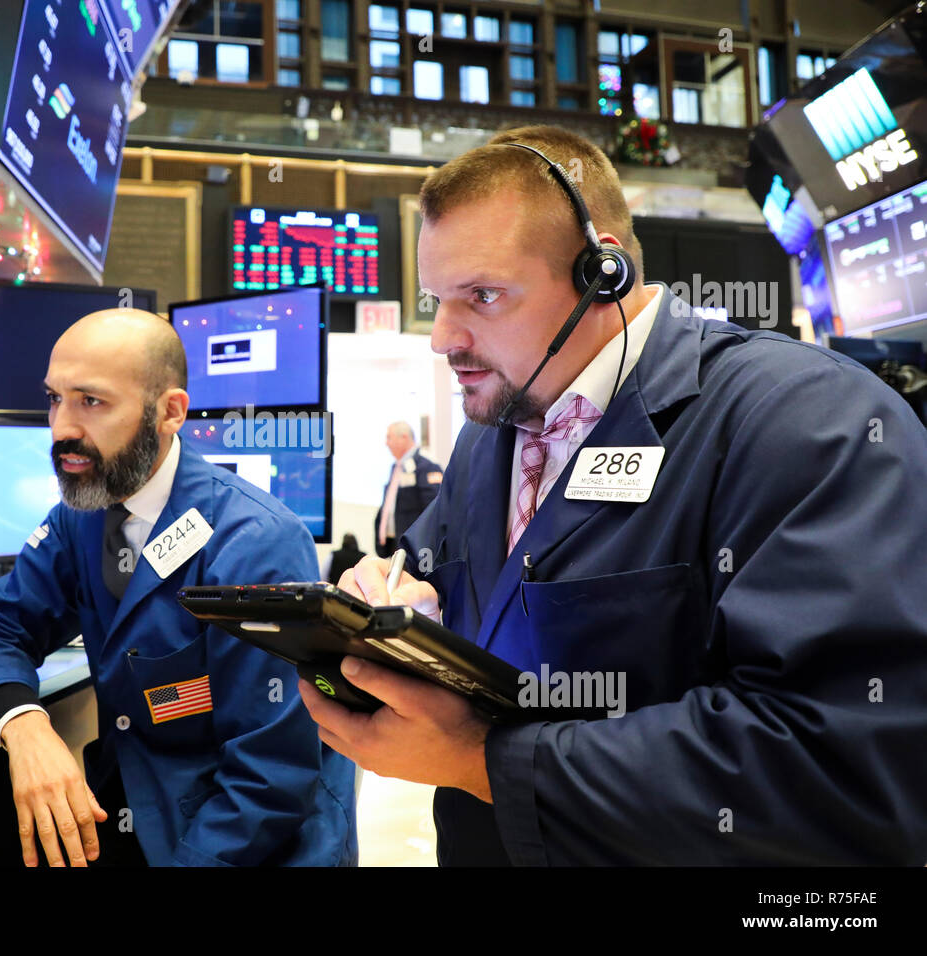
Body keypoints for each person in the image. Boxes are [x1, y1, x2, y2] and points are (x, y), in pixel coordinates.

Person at [299, 125, 927, 865]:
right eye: (437, 297)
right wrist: (397, 599)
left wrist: (483, 763)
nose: (442, 337)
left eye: (484, 296)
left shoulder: (806, 421)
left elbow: (845, 762)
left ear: (605, 272)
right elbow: (442, 574)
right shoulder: (490, 437)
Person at [0, 308, 357, 867]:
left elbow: (269, 778)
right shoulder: (84, 514)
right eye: (54, 398)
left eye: (91, 401)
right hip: (138, 806)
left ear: (169, 412)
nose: (61, 428)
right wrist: (22, 723)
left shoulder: (255, 543)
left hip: (246, 841)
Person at [373, 422, 443, 557]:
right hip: (394, 544)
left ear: (404, 438)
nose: (386, 443)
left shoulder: (426, 464)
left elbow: (434, 507)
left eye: (389, 438)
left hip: (416, 549)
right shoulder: (396, 467)